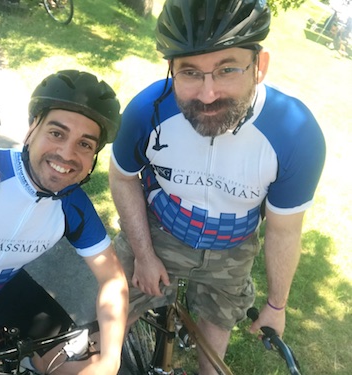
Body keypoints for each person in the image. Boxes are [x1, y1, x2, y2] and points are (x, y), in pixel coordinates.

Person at [109, 0, 326, 374]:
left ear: (260, 67)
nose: (207, 95)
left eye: (227, 69)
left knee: (213, 360)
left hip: (232, 248)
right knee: (107, 327)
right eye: (190, 72)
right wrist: (143, 255)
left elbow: (284, 229)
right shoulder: (148, 110)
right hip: (159, 229)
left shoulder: (296, 135)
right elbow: (122, 176)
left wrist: (277, 305)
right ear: (171, 70)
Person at [0, 70, 129, 375]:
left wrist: (111, 358)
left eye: (85, 145)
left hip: (0, 289)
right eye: (57, 133)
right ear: (32, 129)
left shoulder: (73, 205)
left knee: (82, 367)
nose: (67, 153)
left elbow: (113, 279)